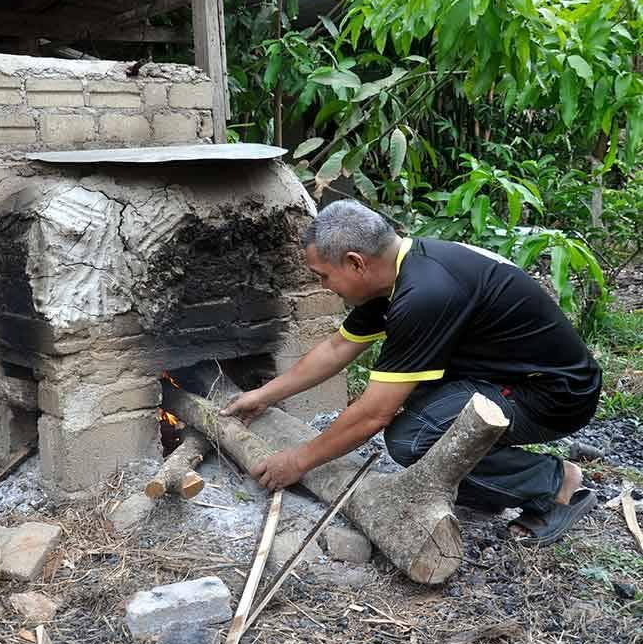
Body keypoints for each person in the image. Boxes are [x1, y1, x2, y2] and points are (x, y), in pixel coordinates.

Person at [221, 199, 601, 545]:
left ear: (356, 262)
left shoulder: (424, 293)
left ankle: (554, 482)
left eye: (323, 276)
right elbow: (336, 349)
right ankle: (493, 484)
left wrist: (298, 461)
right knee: (420, 414)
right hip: (504, 378)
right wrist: (263, 395)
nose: (324, 286)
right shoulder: (396, 275)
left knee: (411, 438)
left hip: (554, 395)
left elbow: (374, 414)